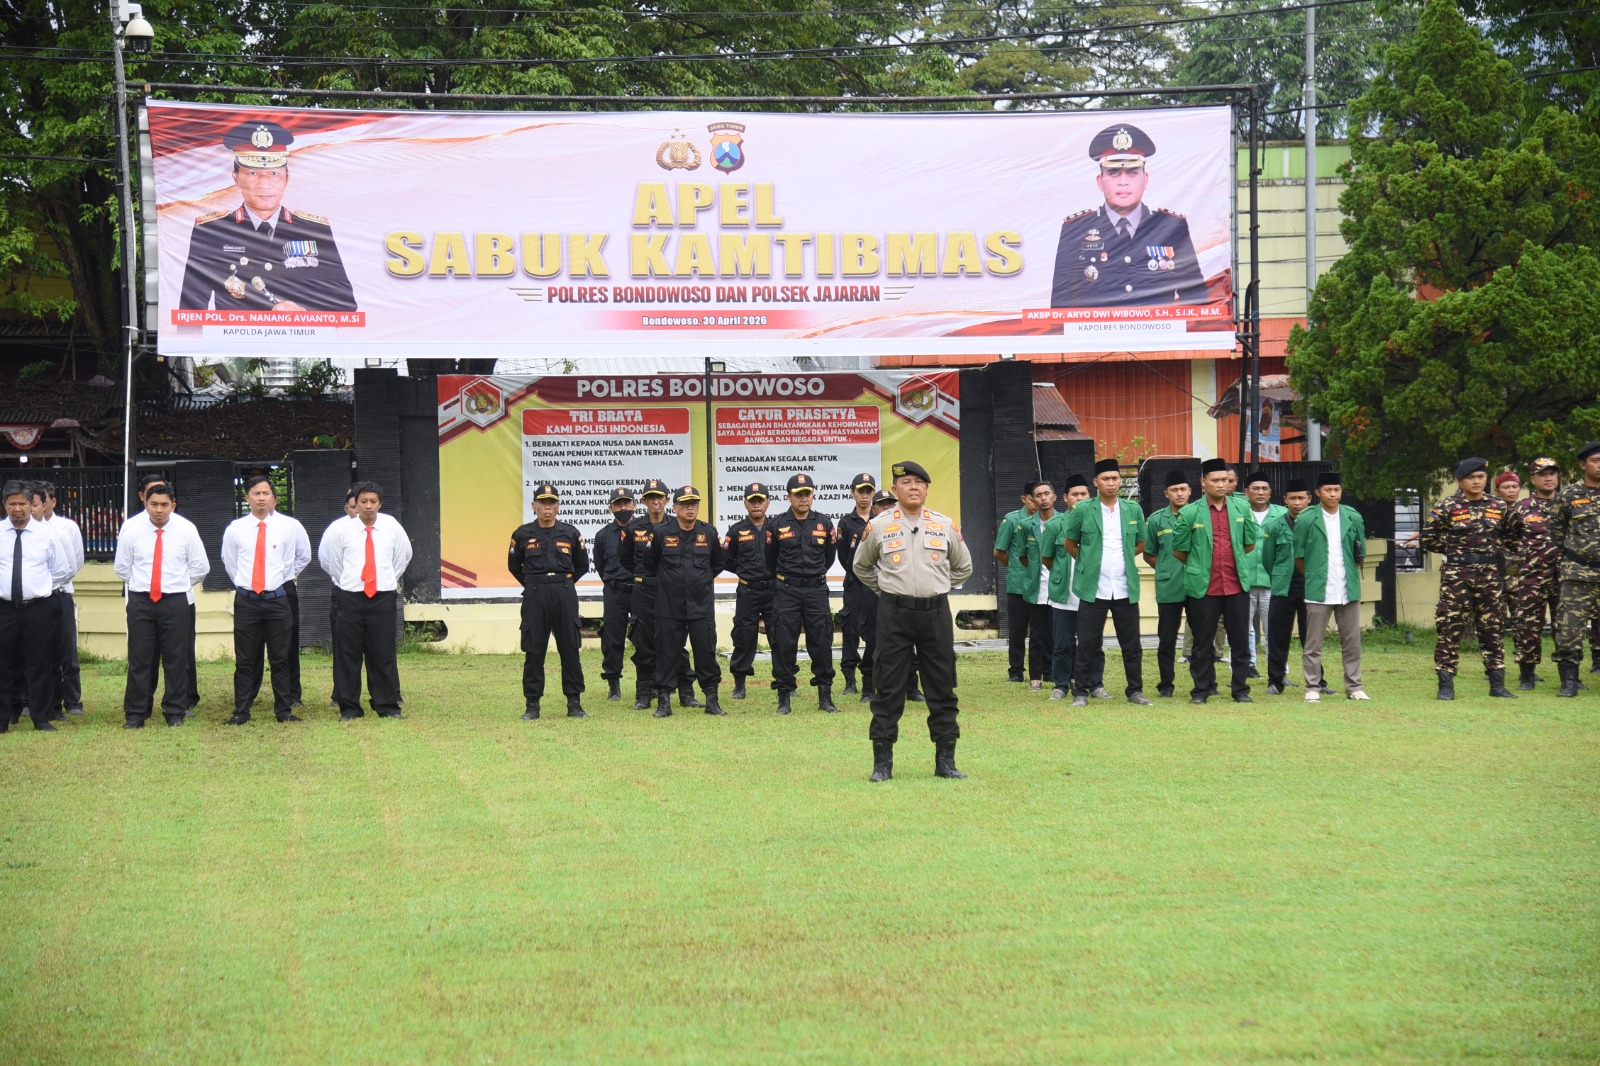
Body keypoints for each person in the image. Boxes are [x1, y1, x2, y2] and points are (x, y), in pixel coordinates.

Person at [852, 460, 973, 782]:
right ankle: (882, 763)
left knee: (942, 685)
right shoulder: (879, 526)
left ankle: (945, 761)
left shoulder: (944, 525)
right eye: (907, 483)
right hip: (894, 614)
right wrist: (888, 591)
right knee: (888, 687)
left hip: (935, 614)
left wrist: (938, 586)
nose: (914, 487)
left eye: (920, 482)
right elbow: (862, 567)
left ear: (927, 489)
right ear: (895, 489)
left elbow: (964, 567)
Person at [177, 120, 357, 312]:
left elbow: (345, 303)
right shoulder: (211, 231)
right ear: (236, 178)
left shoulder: (314, 230)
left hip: (301, 339)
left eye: (273, 174)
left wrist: (306, 313)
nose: (264, 184)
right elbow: (191, 309)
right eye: (253, 173)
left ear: (287, 179)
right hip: (235, 339)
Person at [1051, 123, 1209, 309]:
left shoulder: (1171, 227)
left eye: (1133, 173)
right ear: (1100, 182)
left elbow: (1196, 298)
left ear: (1145, 179)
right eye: (1114, 173)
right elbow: (1061, 304)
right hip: (1096, 336)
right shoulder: (1076, 229)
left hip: (1157, 335)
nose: (1123, 182)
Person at [1419, 457, 1516, 700]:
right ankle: (1446, 686)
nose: (1476, 481)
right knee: (1450, 629)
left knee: (1493, 629)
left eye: (1481, 477)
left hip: (1490, 577)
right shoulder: (1446, 506)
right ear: (1460, 481)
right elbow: (1428, 538)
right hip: (1457, 577)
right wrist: (1454, 550)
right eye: (1471, 478)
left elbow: (1511, 535)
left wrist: (1495, 553)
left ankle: (1497, 685)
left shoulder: (1499, 506)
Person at [114, 483, 210, 728]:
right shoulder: (131, 528)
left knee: (176, 658)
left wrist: (176, 584)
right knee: (140, 658)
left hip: (175, 600)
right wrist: (142, 585)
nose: (159, 510)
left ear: (173, 505)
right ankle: (136, 713)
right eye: (154, 504)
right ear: (145, 503)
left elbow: (201, 567)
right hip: (141, 600)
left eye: (165, 505)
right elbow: (122, 567)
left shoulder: (186, 529)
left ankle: (175, 712)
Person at [317, 481, 413, 719]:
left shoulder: (391, 527)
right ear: (354, 504)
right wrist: (351, 583)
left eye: (373, 502)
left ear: (380, 504)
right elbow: (332, 562)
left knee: (383, 653)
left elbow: (402, 557)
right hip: (351, 598)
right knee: (348, 654)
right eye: (363, 502)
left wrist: (384, 579)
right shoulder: (342, 530)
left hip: (382, 598)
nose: (368, 506)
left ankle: (387, 706)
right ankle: (349, 708)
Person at [220, 475, 311, 724]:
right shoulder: (235, 529)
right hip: (247, 600)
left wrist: (271, 585)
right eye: (256, 493)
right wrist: (248, 585)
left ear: (273, 498)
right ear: (247, 497)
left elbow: (288, 564)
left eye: (266, 493)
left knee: (280, 658)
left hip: (277, 599)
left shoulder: (286, 529)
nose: (261, 498)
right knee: (245, 659)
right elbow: (230, 563)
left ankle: (283, 710)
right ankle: (241, 711)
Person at [1060, 459, 1152, 707]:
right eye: (1106, 479)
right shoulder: (1082, 510)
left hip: (1124, 587)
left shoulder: (1133, 510)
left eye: (1115, 478)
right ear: (1096, 482)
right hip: (1094, 587)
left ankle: (1135, 691)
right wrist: (1089, 562)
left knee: (1131, 644)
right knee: (1088, 642)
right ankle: (1081, 691)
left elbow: (1141, 543)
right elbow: (1070, 543)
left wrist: (1120, 559)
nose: (1111, 483)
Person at [1172, 458, 1259, 704]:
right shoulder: (1189, 512)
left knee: (1240, 641)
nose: (1222, 485)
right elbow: (1179, 550)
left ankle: (1240, 690)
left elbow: (1249, 543)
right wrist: (1199, 567)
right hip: (1204, 588)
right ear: (1203, 483)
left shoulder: (1242, 508)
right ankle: (1201, 691)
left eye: (1225, 480)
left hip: (1235, 585)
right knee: (1201, 643)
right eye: (1216, 480)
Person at [509, 484, 588, 720]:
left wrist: (562, 583)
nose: (547, 508)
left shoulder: (571, 533)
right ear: (534, 506)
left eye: (552, 503)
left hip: (564, 591)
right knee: (534, 650)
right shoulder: (521, 534)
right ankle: (532, 704)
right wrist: (534, 583)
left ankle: (574, 703)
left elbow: (582, 565)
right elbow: (514, 566)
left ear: (558, 506)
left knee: (570, 648)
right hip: (535, 594)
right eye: (542, 503)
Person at [648, 486, 726, 717]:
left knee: (706, 652)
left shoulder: (709, 533)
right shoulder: (662, 534)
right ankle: (664, 702)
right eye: (685, 504)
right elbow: (650, 564)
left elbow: (718, 564)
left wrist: (698, 582)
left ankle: (712, 699)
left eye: (694, 504)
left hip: (700, 606)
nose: (690, 508)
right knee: (667, 653)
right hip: (669, 607)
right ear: (675, 508)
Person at [765, 473, 839, 714]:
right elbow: (770, 559)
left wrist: (812, 577)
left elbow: (829, 557)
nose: (803, 499)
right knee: (784, 643)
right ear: (788, 497)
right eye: (798, 495)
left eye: (807, 493)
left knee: (821, 642)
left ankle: (825, 697)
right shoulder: (776, 524)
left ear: (813, 495)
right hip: (786, 590)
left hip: (816, 590)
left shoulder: (825, 523)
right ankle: (784, 698)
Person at [620, 479, 696, 710]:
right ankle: (644, 692)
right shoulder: (632, 529)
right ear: (642, 501)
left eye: (659, 497)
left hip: (672, 592)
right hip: (644, 591)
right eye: (650, 497)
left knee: (676, 642)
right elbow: (625, 560)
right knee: (643, 641)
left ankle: (686, 691)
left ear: (666, 500)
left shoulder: (678, 525)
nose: (655, 501)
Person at [0, 481, 70, 733]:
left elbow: (62, 570)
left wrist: (40, 588)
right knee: (4, 663)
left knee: (39, 663)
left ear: (32, 505)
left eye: (22, 503)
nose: (17, 509)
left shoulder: (46, 534)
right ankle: (4, 717)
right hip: (4, 608)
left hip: (38, 607)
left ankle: (41, 717)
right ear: (5, 505)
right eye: (12, 504)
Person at [1294, 472, 1368, 701]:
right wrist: (1315, 575)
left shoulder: (1353, 516)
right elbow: (1299, 555)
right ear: (1318, 493)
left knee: (1352, 642)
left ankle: (1354, 687)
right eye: (1328, 490)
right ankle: (1312, 687)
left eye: (1337, 490)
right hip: (1319, 589)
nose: (1333, 494)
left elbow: (1360, 552)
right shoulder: (1306, 518)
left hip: (1348, 588)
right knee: (1313, 643)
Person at [1041, 474, 1104, 700]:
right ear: (1065, 498)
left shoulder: (1099, 522)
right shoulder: (1055, 525)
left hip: (1092, 594)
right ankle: (1060, 685)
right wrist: (1061, 575)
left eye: (1084, 494)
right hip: (1063, 595)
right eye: (1074, 494)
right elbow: (1047, 558)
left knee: (1094, 643)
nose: (1079, 498)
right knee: (1062, 644)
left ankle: (1095, 684)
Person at [1502, 457, 1561, 690]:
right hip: (1531, 578)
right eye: (1543, 474)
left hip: (1564, 577)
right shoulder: (1521, 508)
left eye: (1553, 473)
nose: (1549, 478)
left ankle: (1570, 677)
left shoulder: (1568, 505)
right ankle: (1527, 676)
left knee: (1566, 628)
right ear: (1533, 479)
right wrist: (1524, 561)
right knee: (1528, 627)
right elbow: (1508, 538)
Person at [30, 482, 85, 719]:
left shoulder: (64, 528)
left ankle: (72, 701)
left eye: (33, 503)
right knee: (37, 653)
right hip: (31, 600)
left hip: (60, 593)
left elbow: (74, 563)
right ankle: (38, 702)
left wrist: (49, 585)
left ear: (48, 502)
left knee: (66, 652)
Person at [1550, 442, 1600, 697]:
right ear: (1583, 464)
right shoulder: (1569, 495)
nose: (1599, 465)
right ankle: (1569, 681)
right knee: (1569, 629)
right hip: (1579, 574)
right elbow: (1557, 533)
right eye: (1595, 460)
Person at [721, 482, 776, 701]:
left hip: (774, 590)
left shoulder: (777, 528)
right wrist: (745, 571)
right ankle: (739, 684)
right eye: (752, 501)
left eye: (760, 500)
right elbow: (726, 560)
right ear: (745, 503)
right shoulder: (736, 531)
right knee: (743, 637)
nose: (756, 505)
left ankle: (785, 681)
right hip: (748, 590)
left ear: (768, 502)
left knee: (780, 637)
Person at [1259, 477, 1313, 695]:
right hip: (1283, 587)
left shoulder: (1316, 524)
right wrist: (1280, 576)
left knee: (1312, 637)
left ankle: (1318, 681)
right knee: (1278, 635)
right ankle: (1275, 680)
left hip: (1311, 587)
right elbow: (1267, 559)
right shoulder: (1275, 526)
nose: (1297, 502)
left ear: (1310, 499)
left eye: (1301, 498)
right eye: (1292, 498)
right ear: (1285, 500)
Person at [1143, 469, 1193, 698]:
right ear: (1166, 493)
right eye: (1175, 490)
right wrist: (1165, 569)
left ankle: (1205, 683)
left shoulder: (1199, 515)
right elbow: (1149, 553)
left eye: (1183, 489)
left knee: (1202, 638)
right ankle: (1166, 684)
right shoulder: (1156, 520)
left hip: (1197, 585)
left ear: (1190, 491)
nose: (1179, 493)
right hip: (1168, 586)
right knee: (1166, 639)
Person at [993, 483, 1044, 684]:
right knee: (1017, 631)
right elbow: (999, 551)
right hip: (1019, 585)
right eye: (1033, 499)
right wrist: (1016, 567)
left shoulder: (1050, 519)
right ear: (1024, 499)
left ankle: (1045, 669)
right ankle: (1016, 671)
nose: (1038, 503)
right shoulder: (1013, 520)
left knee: (1043, 632)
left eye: (1041, 497)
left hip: (1042, 585)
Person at [591, 486, 636, 703]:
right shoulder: (602, 536)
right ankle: (613, 685)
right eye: (618, 504)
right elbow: (600, 566)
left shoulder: (645, 531)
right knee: (612, 637)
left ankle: (649, 683)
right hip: (615, 591)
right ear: (610, 508)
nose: (623, 508)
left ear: (634, 505)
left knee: (646, 636)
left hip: (641, 591)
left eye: (626, 503)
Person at [837, 472, 879, 697]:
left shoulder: (880, 518)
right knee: (850, 629)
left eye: (868, 491)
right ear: (852, 493)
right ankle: (849, 679)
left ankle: (870, 677)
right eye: (860, 491)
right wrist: (857, 575)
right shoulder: (845, 522)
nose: (864, 496)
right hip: (854, 584)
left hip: (875, 586)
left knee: (873, 631)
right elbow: (843, 556)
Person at [1241, 471, 1286, 679]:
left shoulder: (1282, 514)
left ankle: (1278, 670)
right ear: (1246, 492)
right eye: (1255, 488)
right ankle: (1244, 667)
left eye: (1264, 489)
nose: (1260, 492)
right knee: (1243, 628)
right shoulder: (1238, 512)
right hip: (1243, 579)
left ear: (1270, 492)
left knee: (1274, 628)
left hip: (1273, 581)